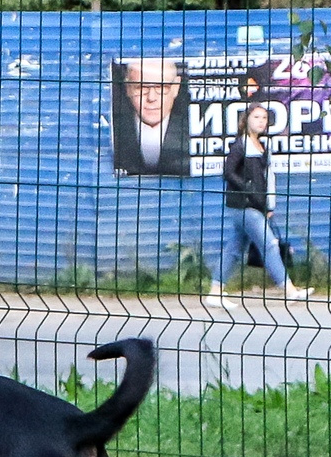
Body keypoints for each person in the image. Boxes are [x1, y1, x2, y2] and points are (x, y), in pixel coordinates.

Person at [205, 104, 309, 303]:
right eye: (256, 117)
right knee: (269, 244)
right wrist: (249, 190)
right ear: (246, 120)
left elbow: (267, 177)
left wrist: (268, 205)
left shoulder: (261, 146)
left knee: (234, 249)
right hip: (244, 206)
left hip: (256, 205)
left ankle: (215, 291)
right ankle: (290, 290)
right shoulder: (241, 145)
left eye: (264, 118)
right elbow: (228, 172)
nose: (261, 121)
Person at [109, 58, 192, 177]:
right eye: (142, 88)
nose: (151, 98)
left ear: (176, 88)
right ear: (128, 88)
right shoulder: (114, 130)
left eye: (161, 87)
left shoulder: (192, 128)